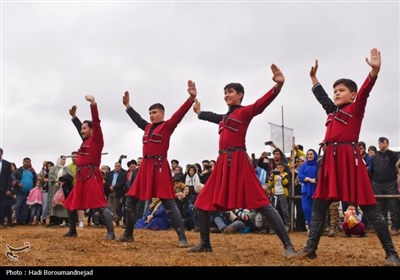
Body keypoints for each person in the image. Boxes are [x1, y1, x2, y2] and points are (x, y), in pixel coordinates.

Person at [294, 49, 400, 265]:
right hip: (330, 162)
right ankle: (310, 249)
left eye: (341, 90)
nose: (336, 93)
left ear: (352, 95)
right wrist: (314, 78)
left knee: (369, 208)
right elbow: (322, 98)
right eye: (335, 90)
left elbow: (364, 93)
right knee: (319, 206)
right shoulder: (332, 112)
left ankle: (391, 253)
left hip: (349, 161)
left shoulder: (356, 108)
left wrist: (374, 72)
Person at [188, 64, 296, 256]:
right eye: (225, 92)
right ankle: (205, 244)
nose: (226, 95)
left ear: (240, 95)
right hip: (222, 162)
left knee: (262, 203)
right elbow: (213, 116)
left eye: (230, 92)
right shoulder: (224, 118)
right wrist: (198, 113)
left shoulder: (244, 112)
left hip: (238, 159)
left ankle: (288, 245)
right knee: (201, 204)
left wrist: (277, 87)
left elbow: (261, 104)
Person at [117, 81, 197, 247]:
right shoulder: (147, 127)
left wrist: (191, 98)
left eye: (154, 112)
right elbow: (137, 119)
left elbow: (179, 115)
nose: (151, 115)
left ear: (162, 114)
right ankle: (128, 234)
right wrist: (128, 106)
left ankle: (182, 237)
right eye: (150, 113)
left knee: (168, 202)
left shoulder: (167, 126)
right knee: (131, 199)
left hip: (160, 166)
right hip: (145, 167)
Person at [63, 95, 115, 240]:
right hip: (80, 177)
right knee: (70, 203)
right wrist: (74, 117)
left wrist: (93, 104)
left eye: (85, 128)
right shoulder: (85, 141)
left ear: (92, 129)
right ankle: (73, 230)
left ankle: (111, 233)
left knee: (99, 205)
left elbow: (96, 122)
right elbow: (80, 128)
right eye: (81, 129)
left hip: (91, 175)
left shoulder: (97, 140)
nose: (82, 130)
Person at [0, 148, 12, 229]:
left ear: (2, 153)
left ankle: (0, 222)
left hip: (3, 188)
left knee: (1, 206)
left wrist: (8, 189)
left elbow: (9, 178)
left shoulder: (7, 164)